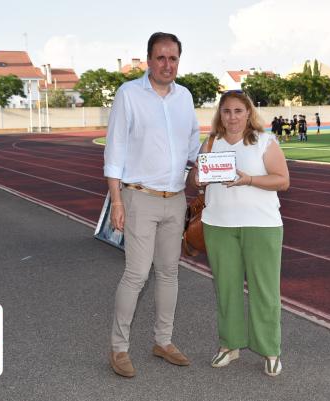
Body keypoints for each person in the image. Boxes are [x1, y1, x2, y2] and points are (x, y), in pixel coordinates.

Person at [103, 32, 200, 378]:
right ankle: (119, 348)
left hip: (174, 199)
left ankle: (163, 340)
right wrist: (117, 201)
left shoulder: (184, 97)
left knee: (169, 273)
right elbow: (114, 151)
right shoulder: (129, 94)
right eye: (161, 58)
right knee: (136, 274)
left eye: (173, 58)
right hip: (139, 196)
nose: (167, 64)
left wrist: (216, 166)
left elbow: (193, 147)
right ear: (148, 60)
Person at [193, 91, 289, 377]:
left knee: (265, 289)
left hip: (261, 225)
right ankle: (229, 345)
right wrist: (197, 178)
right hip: (218, 225)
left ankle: (270, 350)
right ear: (219, 114)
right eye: (226, 111)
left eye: (238, 111)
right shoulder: (211, 141)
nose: (232, 117)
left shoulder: (265, 141)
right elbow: (196, 179)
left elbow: (282, 180)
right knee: (226, 287)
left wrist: (247, 179)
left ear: (248, 112)